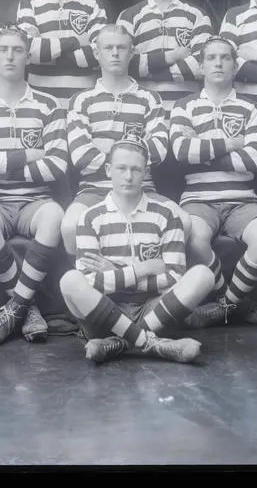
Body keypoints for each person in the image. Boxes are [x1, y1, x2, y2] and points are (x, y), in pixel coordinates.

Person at [59, 136, 215, 365]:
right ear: (108, 169)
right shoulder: (90, 216)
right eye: (121, 168)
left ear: (146, 172)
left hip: (153, 310)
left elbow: (174, 276)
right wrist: (140, 269)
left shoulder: (166, 215)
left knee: (203, 275)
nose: (129, 176)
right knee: (70, 281)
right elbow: (89, 281)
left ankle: (119, 344)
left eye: (136, 169)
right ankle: (151, 344)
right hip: (105, 309)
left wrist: (117, 272)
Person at [0, 26, 68, 346]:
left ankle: (15, 309)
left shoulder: (49, 104)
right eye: (3, 49)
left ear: (28, 56)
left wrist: (4, 166)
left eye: (17, 50)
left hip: (34, 200)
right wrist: (29, 155)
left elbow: (57, 165)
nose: (10, 56)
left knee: (54, 217)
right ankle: (27, 306)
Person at [61, 24, 195, 260]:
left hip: (143, 188)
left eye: (121, 47)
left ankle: (152, 283)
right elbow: (81, 156)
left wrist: (110, 157)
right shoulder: (81, 101)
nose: (115, 53)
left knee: (183, 221)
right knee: (70, 226)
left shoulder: (149, 99)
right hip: (94, 189)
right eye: (108, 47)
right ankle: (92, 283)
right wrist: (131, 156)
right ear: (96, 53)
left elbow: (159, 150)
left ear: (131, 52)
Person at [170, 37, 257, 327]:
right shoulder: (184, 106)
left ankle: (226, 305)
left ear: (235, 65)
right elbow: (181, 152)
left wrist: (203, 151)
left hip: (243, 199)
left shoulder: (251, 108)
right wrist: (232, 142)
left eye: (225, 58)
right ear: (201, 66)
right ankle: (234, 303)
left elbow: (253, 160)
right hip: (198, 199)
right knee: (192, 237)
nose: (218, 63)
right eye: (211, 58)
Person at [16, 0, 107, 108]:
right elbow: (29, 52)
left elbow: (99, 55)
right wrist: (78, 41)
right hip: (40, 103)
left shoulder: (92, 4)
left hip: (85, 102)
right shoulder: (30, 3)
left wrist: (47, 51)